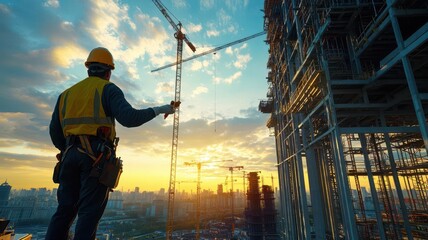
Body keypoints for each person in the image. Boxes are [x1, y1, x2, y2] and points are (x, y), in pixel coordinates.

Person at [46, 47, 177, 240]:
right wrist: (160, 109)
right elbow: (129, 118)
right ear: (108, 72)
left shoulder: (65, 95)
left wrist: (67, 150)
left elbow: (54, 132)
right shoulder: (108, 89)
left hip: (68, 156)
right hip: (95, 160)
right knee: (88, 214)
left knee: (64, 211)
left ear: (88, 69)